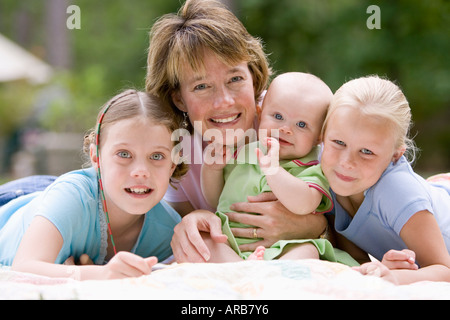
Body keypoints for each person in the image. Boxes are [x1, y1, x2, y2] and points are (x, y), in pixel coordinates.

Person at [145, 0, 328, 263]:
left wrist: (313, 227)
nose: (224, 102)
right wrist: (194, 218)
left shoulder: (288, 119)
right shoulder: (176, 150)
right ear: (179, 99)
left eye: (235, 79)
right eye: (201, 86)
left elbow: (352, 226)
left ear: (253, 77)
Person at [0, 89, 188, 280]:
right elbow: (23, 268)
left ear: (172, 165)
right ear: (95, 157)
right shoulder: (70, 198)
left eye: (157, 156)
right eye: (124, 154)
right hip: (15, 202)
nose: (141, 171)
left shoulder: (168, 231)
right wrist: (100, 273)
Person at [200, 72, 357, 264]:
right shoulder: (241, 152)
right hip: (230, 242)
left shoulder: (312, 168)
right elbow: (214, 199)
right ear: (260, 113)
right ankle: (240, 269)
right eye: (277, 116)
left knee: (308, 250)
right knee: (204, 240)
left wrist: (273, 169)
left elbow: (304, 204)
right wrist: (212, 170)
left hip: (282, 248)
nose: (285, 129)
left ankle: (267, 275)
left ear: (319, 137)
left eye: (301, 124)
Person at [320, 75, 450, 284]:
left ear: (396, 155)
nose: (346, 162)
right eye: (338, 142)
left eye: (366, 151)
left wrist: (395, 276)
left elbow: (445, 270)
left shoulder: (396, 191)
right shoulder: (326, 172)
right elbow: (357, 260)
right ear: (323, 134)